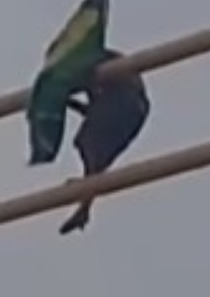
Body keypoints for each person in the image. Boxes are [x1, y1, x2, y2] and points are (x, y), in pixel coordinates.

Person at [57, 48, 148, 235]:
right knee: (92, 148)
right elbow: (95, 110)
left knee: (89, 144)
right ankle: (86, 200)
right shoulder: (95, 69)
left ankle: (87, 196)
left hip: (125, 104)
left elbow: (99, 107)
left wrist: (65, 97)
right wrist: (68, 102)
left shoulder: (90, 63)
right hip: (130, 108)